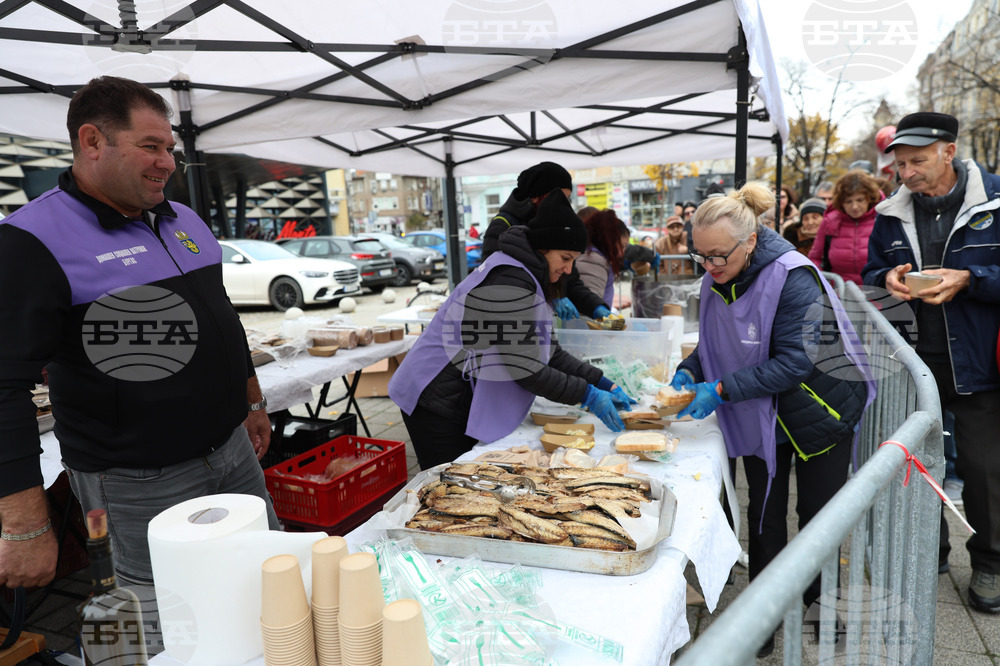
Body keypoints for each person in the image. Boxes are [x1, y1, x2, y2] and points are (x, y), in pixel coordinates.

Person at [0, 77, 278, 628]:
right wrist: (24, 526)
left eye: (170, 148)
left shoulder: (183, 218)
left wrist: (251, 402)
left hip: (231, 451)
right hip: (137, 477)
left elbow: (224, 320)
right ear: (92, 141)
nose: (167, 162)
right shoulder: (31, 241)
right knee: (172, 619)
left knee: (264, 581)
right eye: (150, 146)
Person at [670, 182, 872, 655]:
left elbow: (797, 361)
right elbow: (716, 341)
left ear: (752, 241)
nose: (710, 266)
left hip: (818, 409)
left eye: (719, 256)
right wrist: (691, 368)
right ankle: (761, 617)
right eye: (702, 256)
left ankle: (822, 607)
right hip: (760, 413)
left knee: (818, 517)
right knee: (764, 518)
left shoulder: (794, 276)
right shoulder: (716, 273)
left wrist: (720, 388)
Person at [862, 111, 1000, 612]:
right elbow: (872, 271)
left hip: (981, 361)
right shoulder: (889, 211)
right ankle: (930, 549)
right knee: (917, 464)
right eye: (900, 164)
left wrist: (970, 279)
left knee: (985, 471)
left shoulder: (996, 199)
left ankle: (989, 564)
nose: (907, 173)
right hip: (915, 361)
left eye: (917, 161)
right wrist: (889, 278)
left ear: (949, 150)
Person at [389, 191, 633, 469]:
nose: (568, 270)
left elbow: (549, 352)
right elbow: (525, 368)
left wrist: (600, 381)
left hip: (455, 393)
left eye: (574, 261)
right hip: (435, 397)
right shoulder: (510, 281)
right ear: (543, 248)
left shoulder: (528, 276)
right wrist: (586, 394)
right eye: (565, 258)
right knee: (448, 486)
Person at [481, 162, 610, 322]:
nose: (564, 204)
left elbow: (570, 279)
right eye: (559, 196)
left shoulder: (557, 229)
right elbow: (494, 282)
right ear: (536, 196)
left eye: (567, 199)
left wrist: (595, 306)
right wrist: (550, 295)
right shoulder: (503, 225)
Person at [808, 170, 881, 284]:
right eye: (848, 201)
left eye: (860, 200)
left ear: (869, 198)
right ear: (841, 202)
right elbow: (815, 258)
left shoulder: (881, 220)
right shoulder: (829, 222)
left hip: (876, 292)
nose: (854, 206)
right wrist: (823, 281)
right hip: (839, 294)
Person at [576, 210, 629, 308]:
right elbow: (588, 307)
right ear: (609, 240)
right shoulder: (593, 261)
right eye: (621, 246)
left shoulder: (594, 256)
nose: (622, 254)